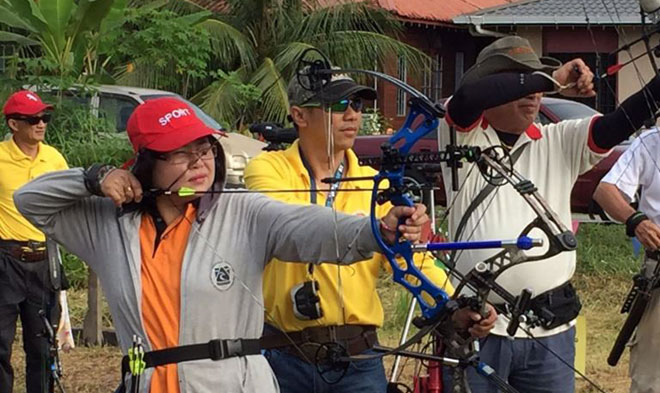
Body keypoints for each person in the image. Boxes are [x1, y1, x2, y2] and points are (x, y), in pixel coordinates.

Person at [13, 96, 431, 393]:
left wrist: (377, 231)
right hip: (147, 381)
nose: (200, 163)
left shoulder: (243, 212)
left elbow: (307, 225)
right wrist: (93, 177)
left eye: (205, 149)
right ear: (146, 162)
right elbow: (29, 200)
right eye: (181, 154)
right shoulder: (107, 224)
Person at [244, 72, 497, 393]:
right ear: (299, 114)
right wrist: (375, 229)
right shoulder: (268, 169)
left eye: (358, 104)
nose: (352, 115)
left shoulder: (374, 182)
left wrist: (456, 304)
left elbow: (413, 259)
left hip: (358, 359)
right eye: (337, 105)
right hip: (283, 356)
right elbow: (291, 226)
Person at [438, 35, 660, 393]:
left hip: (550, 330)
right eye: (523, 80)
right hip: (478, 324)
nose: (535, 94)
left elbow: (620, 122)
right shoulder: (461, 136)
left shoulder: (557, 138)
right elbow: (467, 99)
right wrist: (552, 79)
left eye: (538, 83)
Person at [0, 90, 68, 393]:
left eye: (44, 117)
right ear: (14, 124)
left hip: (43, 261)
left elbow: (70, 205)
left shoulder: (53, 158)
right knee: (0, 345)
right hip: (5, 259)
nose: (41, 124)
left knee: (42, 347)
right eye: (33, 119)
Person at [593, 130, 660, 393]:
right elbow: (605, 190)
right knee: (651, 379)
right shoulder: (651, 142)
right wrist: (637, 221)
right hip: (659, 269)